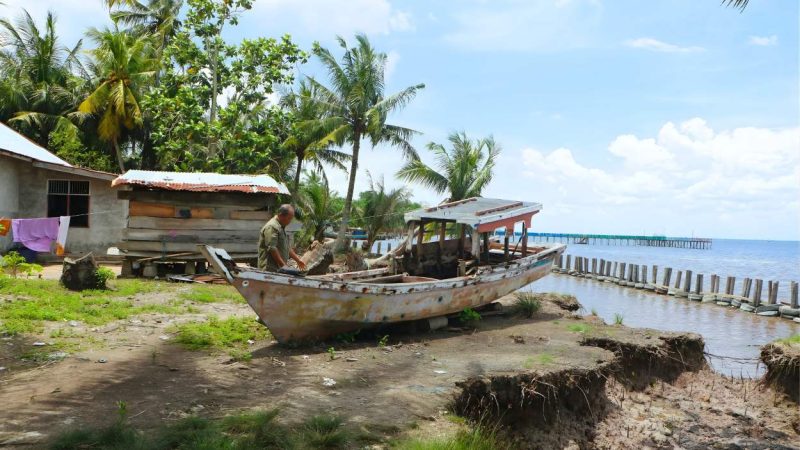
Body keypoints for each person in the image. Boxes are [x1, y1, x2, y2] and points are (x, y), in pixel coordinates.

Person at [258, 204, 307, 272]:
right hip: (269, 269)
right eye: (289, 218)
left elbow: (287, 248)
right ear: (281, 215)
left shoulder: (281, 227)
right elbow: (272, 248)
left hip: (277, 269)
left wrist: (298, 260)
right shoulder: (272, 226)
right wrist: (284, 267)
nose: (290, 221)